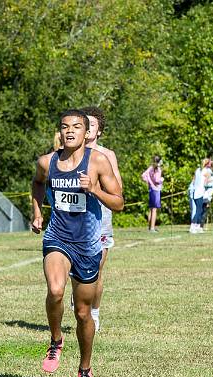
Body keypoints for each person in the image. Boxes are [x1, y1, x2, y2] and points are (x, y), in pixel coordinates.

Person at [31, 109, 124, 377]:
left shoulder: (98, 161)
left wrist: (94, 189)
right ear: (60, 132)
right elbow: (37, 183)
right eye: (64, 126)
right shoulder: (47, 162)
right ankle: (56, 341)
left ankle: (85, 368)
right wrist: (37, 212)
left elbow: (119, 202)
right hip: (58, 237)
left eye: (76, 127)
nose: (69, 131)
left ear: (86, 133)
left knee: (83, 313)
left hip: (88, 243)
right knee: (56, 290)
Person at [80, 105, 122, 332]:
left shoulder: (107, 155)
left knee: (96, 270)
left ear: (99, 131)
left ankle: (93, 312)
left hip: (100, 221)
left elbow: (119, 192)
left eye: (92, 125)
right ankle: (81, 297)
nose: (87, 129)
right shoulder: (70, 153)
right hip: (75, 222)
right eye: (83, 124)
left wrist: (95, 187)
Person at [141, 155, 164, 232]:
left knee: (151, 209)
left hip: (151, 189)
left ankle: (150, 227)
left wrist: (149, 182)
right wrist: (161, 180)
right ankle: (152, 228)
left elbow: (143, 176)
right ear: (159, 161)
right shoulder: (157, 169)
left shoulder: (150, 168)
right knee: (154, 209)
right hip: (156, 190)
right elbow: (157, 180)